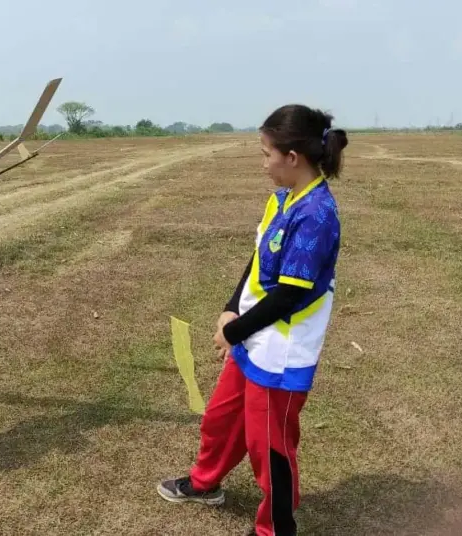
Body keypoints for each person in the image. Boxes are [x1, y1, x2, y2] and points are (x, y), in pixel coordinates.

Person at [157, 104, 348, 536]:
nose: (263, 164)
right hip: (252, 338)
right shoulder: (283, 198)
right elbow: (259, 256)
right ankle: (205, 484)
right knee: (221, 418)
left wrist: (235, 329)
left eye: (266, 154)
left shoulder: (316, 215)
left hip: (280, 350)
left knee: (270, 448)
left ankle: (275, 528)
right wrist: (231, 307)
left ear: (292, 158)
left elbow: (291, 294)